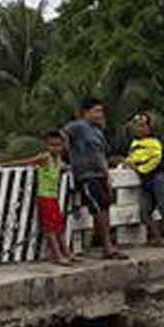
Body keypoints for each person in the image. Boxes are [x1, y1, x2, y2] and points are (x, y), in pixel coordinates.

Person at [62, 97, 124, 261]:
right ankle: (107, 246)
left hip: (100, 174)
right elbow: (62, 136)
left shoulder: (98, 131)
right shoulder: (78, 126)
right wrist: (65, 157)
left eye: (101, 111)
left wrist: (107, 175)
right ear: (86, 112)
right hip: (86, 174)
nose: (100, 114)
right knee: (98, 209)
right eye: (96, 111)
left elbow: (101, 155)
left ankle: (105, 244)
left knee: (105, 207)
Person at [9, 129, 76, 267]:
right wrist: (4, 165)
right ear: (46, 145)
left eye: (58, 145)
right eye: (52, 145)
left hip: (53, 196)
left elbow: (63, 167)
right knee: (51, 229)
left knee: (59, 227)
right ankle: (58, 255)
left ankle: (67, 252)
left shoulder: (58, 159)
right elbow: (25, 162)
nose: (55, 148)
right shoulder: (45, 157)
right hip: (45, 196)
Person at [122, 112, 164, 248]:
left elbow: (155, 160)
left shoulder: (155, 143)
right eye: (137, 126)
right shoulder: (134, 143)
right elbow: (132, 157)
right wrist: (128, 163)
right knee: (144, 212)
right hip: (145, 181)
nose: (139, 129)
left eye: (142, 126)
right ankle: (157, 237)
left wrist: (139, 169)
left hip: (158, 177)